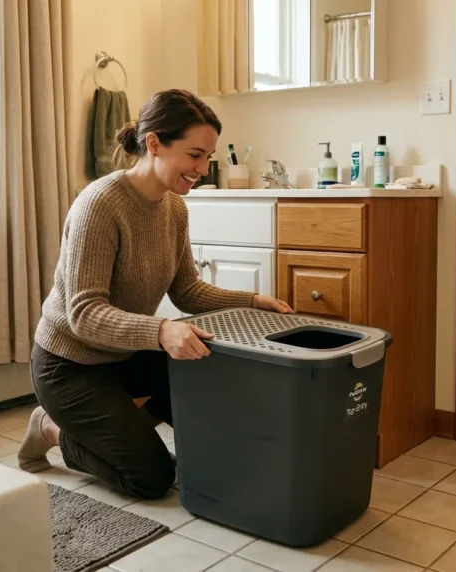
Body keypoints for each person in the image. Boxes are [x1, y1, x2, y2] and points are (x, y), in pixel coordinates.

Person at [17, 89, 293, 499]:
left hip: (124, 356)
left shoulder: (175, 209)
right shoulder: (99, 204)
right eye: (194, 154)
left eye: (207, 158)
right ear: (154, 144)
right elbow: (85, 314)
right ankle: (52, 429)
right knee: (150, 478)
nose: (202, 168)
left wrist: (252, 301)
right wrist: (162, 331)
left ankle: (117, 422)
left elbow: (188, 291)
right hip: (69, 363)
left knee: (211, 389)